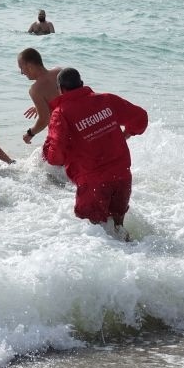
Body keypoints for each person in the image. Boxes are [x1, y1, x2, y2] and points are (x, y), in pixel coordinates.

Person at [42, 68, 148, 240]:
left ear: (60, 89)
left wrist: (47, 152)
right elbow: (140, 117)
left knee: (93, 237)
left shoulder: (61, 113)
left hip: (93, 182)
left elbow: (56, 157)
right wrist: (127, 132)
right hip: (122, 176)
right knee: (118, 228)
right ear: (82, 84)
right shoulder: (106, 100)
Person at [17, 47, 62, 144]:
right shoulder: (59, 71)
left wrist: (30, 133)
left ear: (29, 66)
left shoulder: (35, 90)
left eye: (21, 67)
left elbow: (44, 120)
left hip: (61, 130)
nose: (21, 72)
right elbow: (65, 98)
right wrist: (42, 105)